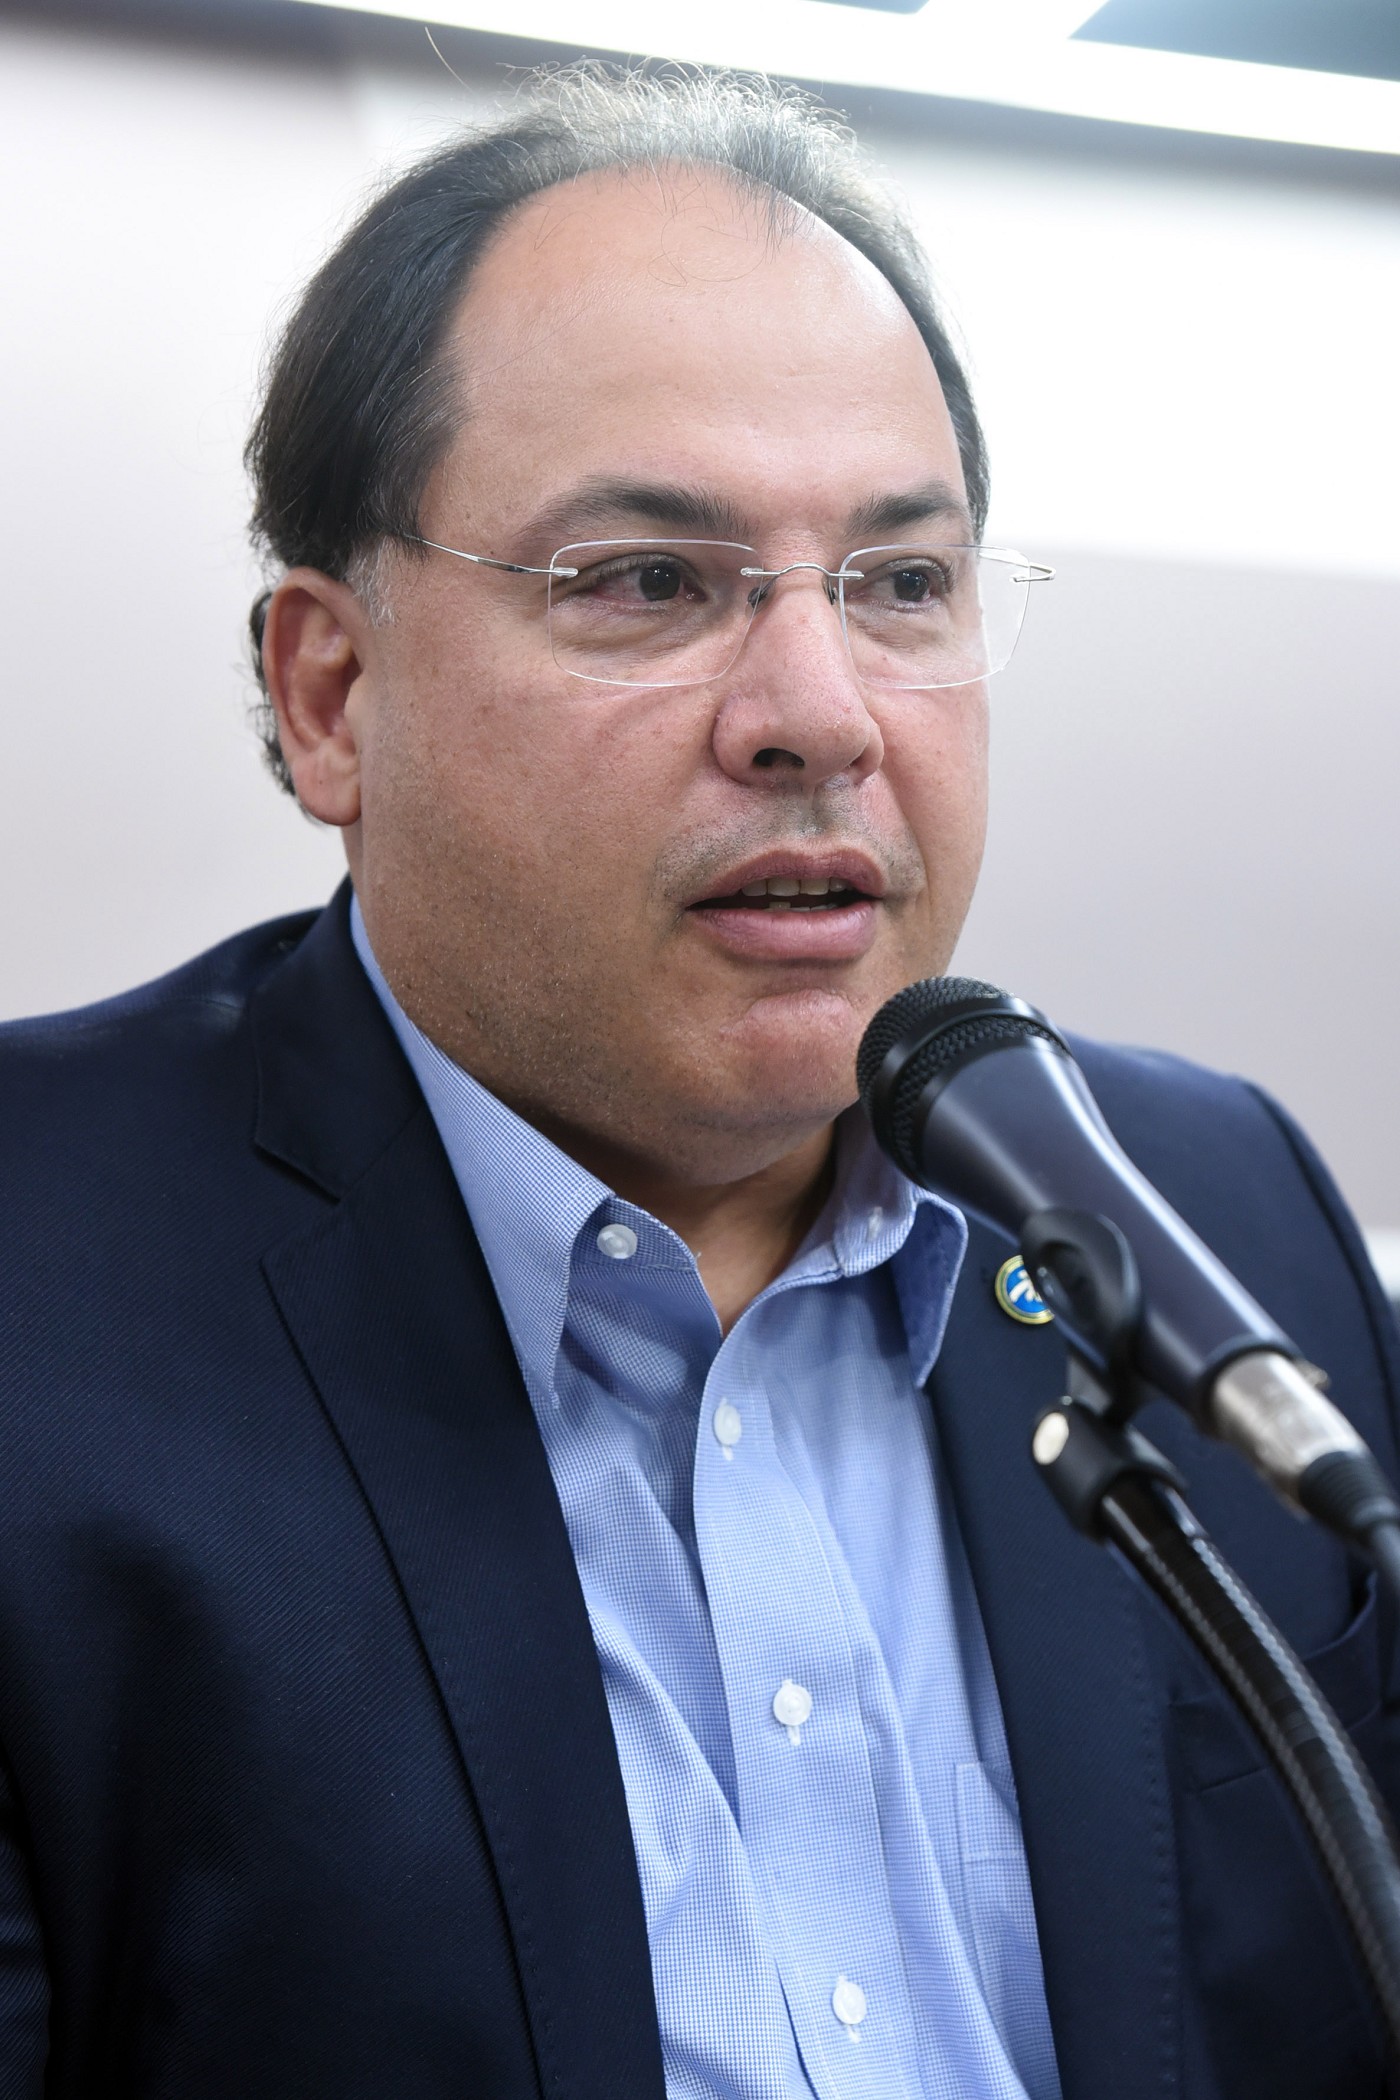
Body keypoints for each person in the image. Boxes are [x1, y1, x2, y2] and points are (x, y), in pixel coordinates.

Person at [1, 64, 1397, 2100]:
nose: (821, 716)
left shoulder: (1212, 1206)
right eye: (648, 581)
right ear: (332, 695)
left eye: (899, 582)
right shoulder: (35, 1283)